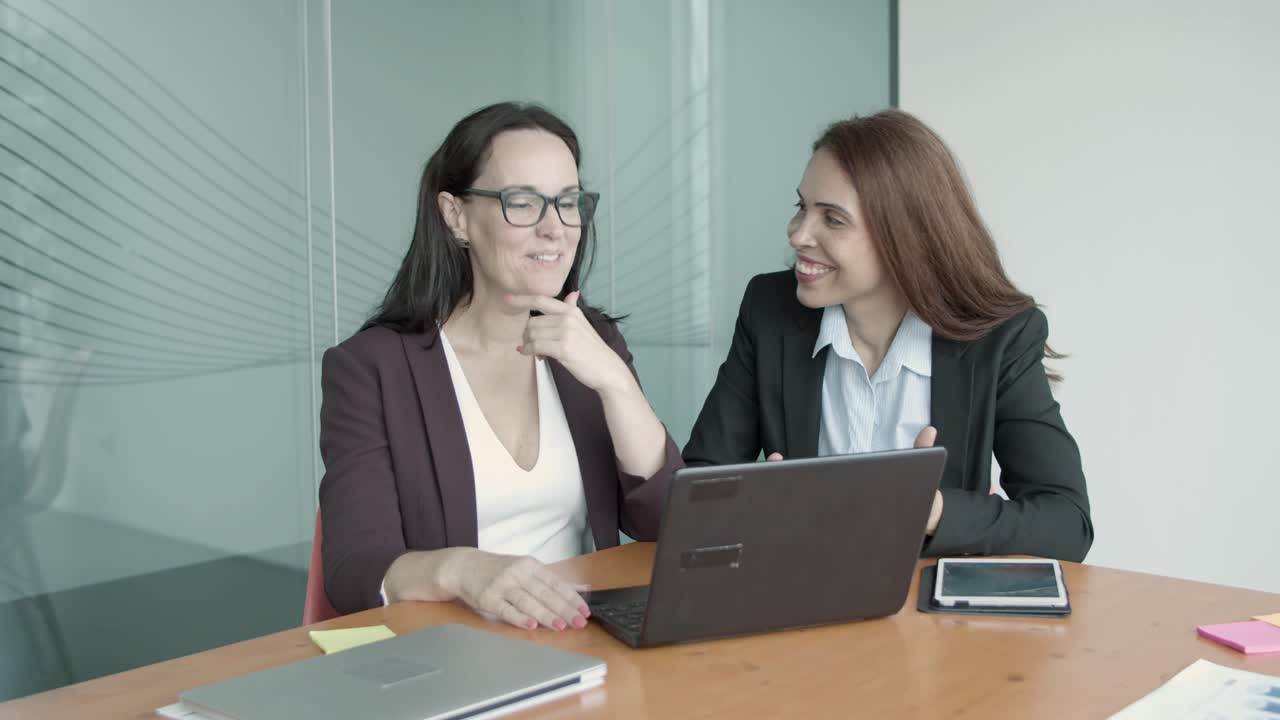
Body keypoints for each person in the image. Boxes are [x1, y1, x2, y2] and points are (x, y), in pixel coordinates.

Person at [319, 102, 681, 629]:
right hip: (452, 656)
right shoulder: (371, 369)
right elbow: (354, 571)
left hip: (587, 640)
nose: (555, 229)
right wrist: (463, 570)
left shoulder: (592, 340)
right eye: (522, 202)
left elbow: (662, 524)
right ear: (456, 216)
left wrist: (615, 383)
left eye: (567, 202)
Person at [682, 109, 1093, 562]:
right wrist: (762, 501)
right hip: (799, 595)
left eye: (832, 220)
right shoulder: (770, 310)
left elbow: (1066, 523)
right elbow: (700, 485)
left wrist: (931, 510)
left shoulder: (997, 337)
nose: (798, 234)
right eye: (802, 207)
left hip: (928, 618)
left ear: (906, 237)